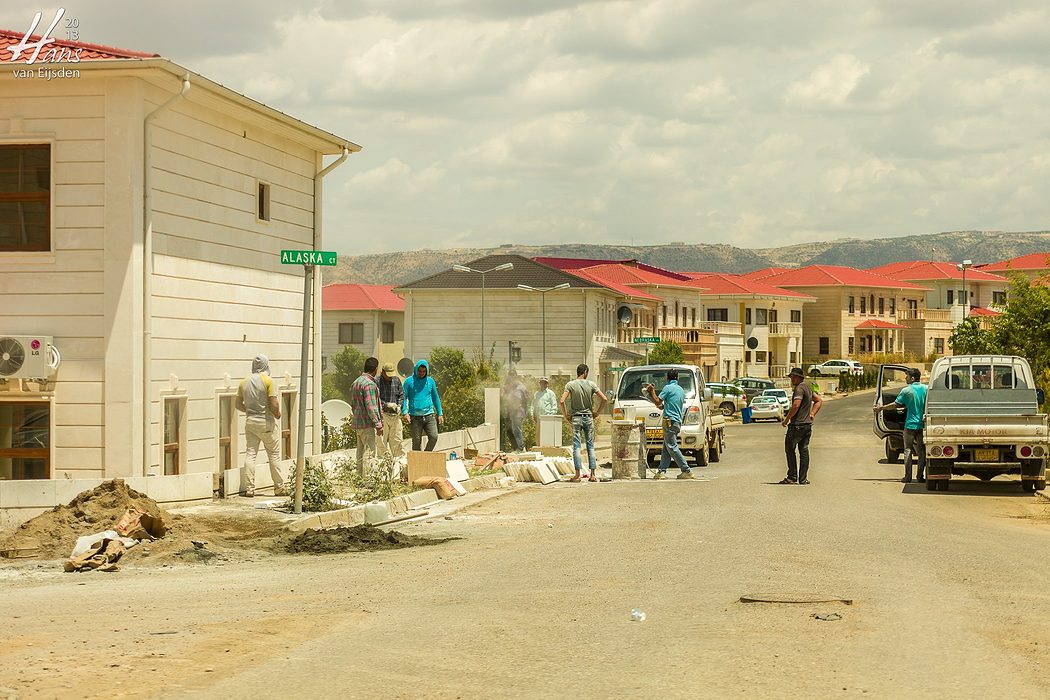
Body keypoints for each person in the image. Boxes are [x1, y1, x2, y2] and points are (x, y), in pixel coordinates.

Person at [236, 354, 285, 497]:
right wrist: (277, 413)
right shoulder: (268, 381)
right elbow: (274, 402)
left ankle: (250, 489)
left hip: (250, 422)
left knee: (250, 454)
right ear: (266, 365)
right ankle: (279, 487)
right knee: (274, 454)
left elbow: (237, 404)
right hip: (266, 422)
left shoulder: (243, 382)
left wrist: (250, 411)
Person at [874, 368, 927, 483]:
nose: (905, 378)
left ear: (912, 378)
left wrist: (881, 408)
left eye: (907, 376)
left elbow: (895, 405)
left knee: (907, 450)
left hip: (909, 426)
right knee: (921, 451)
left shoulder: (906, 391)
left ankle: (907, 477)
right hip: (923, 426)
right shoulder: (926, 389)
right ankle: (920, 477)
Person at [560, 363, 608, 483]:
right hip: (588, 417)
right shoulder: (591, 384)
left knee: (576, 446)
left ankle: (577, 475)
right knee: (590, 446)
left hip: (576, 418)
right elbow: (605, 399)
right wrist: (597, 412)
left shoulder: (570, 384)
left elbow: (562, 401)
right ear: (585, 372)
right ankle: (592, 475)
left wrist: (566, 415)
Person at [644, 369, 694, 480]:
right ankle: (662, 471)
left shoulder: (667, 388)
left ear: (667, 378)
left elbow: (658, 402)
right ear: (677, 378)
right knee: (666, 448)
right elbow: (663, 406)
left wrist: (652, 391)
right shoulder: (680, 389)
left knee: (672, 446)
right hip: (676, 421)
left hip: (669, 421)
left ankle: (686, 470)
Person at [780, 367, 823, 485]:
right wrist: (812, 413)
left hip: (797, 425)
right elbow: (818, 400)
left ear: (799, 377)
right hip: (807, 425)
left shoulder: (799, 389)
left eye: (793, 377)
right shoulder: (808, 388)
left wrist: (786, 420)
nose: (792, 379)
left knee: (790, 449)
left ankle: (792, 477)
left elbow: (796, 405)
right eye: (791, 377)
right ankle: (803, 479)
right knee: (804, 450)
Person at [350, 357, 384, 476]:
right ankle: (369, 479)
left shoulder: (356, 382)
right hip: (367, 424)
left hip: (358, 424)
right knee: (370, 452)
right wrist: (378, 424)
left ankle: (359, 477)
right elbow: (371, 406)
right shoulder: (369, 384)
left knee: (360, 453)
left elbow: (353, 404)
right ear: (375, 369)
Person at [402, 359, 443, 451]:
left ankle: (426, 455)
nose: (421, 373)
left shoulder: (430, 381)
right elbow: (403, 398)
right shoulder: (409, 382)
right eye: (420, 371)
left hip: (429, 415)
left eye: (424, 371)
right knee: (416, 441)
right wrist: (405, 412)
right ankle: (416, 463)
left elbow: (435, 398)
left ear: (427, 371)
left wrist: (440, 413)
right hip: (415, 417)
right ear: (416, 370)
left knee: (434, 437)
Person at [377, 362, 405, 459]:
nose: (390, 378)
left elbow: (401, 395)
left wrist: (399, 406)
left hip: (395, 416)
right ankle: (382, 462)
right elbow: (376, 399)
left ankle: (399, 462)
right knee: (381, 441)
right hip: (383, 415)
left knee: (397, 440)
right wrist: (387, 405)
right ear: (383, 372)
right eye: (388, 375)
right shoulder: (377, 382)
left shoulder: (396, 380)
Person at [503, 371, 529, 452]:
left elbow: (518, 402)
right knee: (513, 429)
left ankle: (521, 448)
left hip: (518, 413)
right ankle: (516, 448)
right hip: (514, 412)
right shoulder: (514, 387)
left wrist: (512, 408)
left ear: (515, 377)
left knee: (517, 430)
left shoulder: (519, 388)